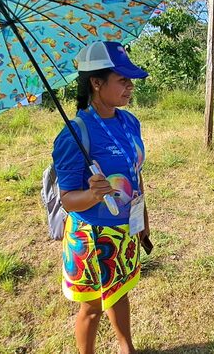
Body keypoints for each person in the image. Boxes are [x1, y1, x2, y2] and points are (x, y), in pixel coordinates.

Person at [52, 41, 149, 354]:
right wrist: (93, 194)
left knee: (119, 293)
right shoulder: (75, 134)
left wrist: (143, 218)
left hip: (124, 229)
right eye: (122, 80)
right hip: (93, 237)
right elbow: (67, 200)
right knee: (92, 307)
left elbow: (136, 173)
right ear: (96, 82)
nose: (130, 87)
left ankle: (126, 347)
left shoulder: (129, 122)